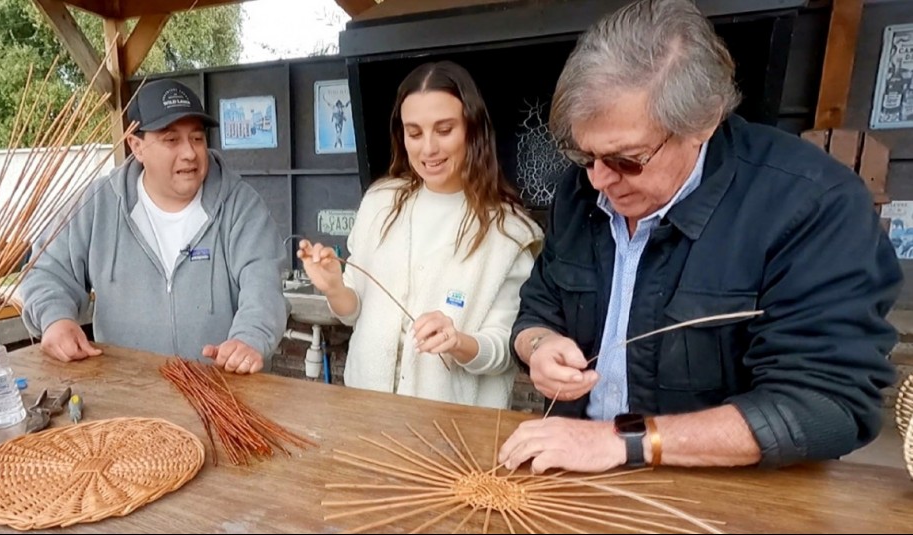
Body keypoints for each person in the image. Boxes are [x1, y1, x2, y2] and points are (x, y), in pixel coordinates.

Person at [498, 0, 903, 474]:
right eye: (585, 156)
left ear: (703, 122)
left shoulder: (813, 205)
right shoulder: (582, 190)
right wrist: (539, 345)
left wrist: (625, 441)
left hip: (727, 491)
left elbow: (826, 405)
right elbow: (539, 307)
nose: (599, 180)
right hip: (576, 472)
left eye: (626, 159)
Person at [298, 61, 543, 408]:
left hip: (452, 427)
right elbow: (351, 313)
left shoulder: (509, 233)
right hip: (366, 413)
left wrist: (458, 342)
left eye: (444, 130)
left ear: (473, 129)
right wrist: (334, 288)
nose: (428, 148)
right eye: (414, 133)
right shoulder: (380, 203)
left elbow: (506, 349)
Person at [20, 79, 287, 374]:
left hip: (224, 387)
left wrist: (249, 338)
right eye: (171, 140)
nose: (189, 153)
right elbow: (46, 270)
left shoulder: (240, 205)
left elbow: (264, 284)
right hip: (127, 388)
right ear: (137, 146)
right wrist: (55, 319)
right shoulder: (98, 204)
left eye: (197, 138)